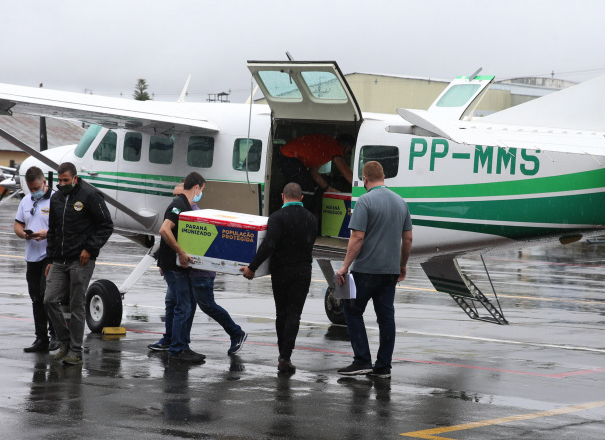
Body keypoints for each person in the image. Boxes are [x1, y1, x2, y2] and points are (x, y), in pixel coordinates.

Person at [335, 161, 412, 379]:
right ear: (384, 177)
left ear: (365, 179)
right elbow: (408, 238)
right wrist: (402, 265)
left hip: (366, 270)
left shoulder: (365, 201)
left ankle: (362, 360)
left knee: (352, 311)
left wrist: (344, 266)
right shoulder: (400, 202)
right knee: (386, 318)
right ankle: (383, 367)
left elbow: (357, 237)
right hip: (390, 271)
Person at [150, 183, 248, 355]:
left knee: (204, 305)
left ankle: (236, 333)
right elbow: (171, 237)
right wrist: (164, 260)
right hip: (183, 270)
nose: (175, 199)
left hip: (199, 272)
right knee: (173, 302)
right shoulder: (183, 211)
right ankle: (172, 339)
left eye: (177, 195)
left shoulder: (193, 214)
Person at [240, 182, 317, 373]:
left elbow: (268, 244)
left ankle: (282, 353)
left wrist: (252, 267)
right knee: (294, 314)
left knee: (281, 313)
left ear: (283, 197)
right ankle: (285, 356)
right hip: (303, 271)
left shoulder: (276, 217)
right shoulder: (312, 218)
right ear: (301, 198)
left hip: (281, 272)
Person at [43, 162, 114, 366]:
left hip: (80, 260)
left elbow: (106, 225)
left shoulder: (90, 195)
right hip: (59, 259)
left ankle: (76, 350)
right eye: (60, 180)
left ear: (75, 178)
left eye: (66, 180)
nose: (62, 183)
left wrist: (90, 248)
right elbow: (53, 231)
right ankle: (65, 341)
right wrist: (50, 258)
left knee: (76, 305)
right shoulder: (56, 198)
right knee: (49, 300)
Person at [152, 172, 207, 363]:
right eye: (202, 189)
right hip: (174, 267)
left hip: (178, 266)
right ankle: (177, 350)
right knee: (183, 306)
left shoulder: (185, 206)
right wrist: (180, 252)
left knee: (186, 305)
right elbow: (164, 230)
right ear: (196, 187)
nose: (201, 193)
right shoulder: (178, 205)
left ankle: (182, 346)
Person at [14, 166, 58, 353]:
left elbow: (63, 227)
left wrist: (47, 234)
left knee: (47, 296)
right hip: (31, 256)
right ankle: (41, 338)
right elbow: (18, 224)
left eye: (36, 188)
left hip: (49, 255)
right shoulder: (25, 201)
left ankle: (55, 334)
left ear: (44, 182)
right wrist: (23, 234)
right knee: (36, 298)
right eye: (31, 189)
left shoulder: (56, 200)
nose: (34, 192)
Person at [279, 133, 354, 193]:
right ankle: (300, 210)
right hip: (288, 156)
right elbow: (343, 167)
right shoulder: (334, 145)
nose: (345, 154)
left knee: (311, 186)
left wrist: (327, 188)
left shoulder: (327, 150)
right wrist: (358, 185)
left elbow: (313, 172)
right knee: (306, 188)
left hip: (285, 156)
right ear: (347, 147)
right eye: (348, 151)